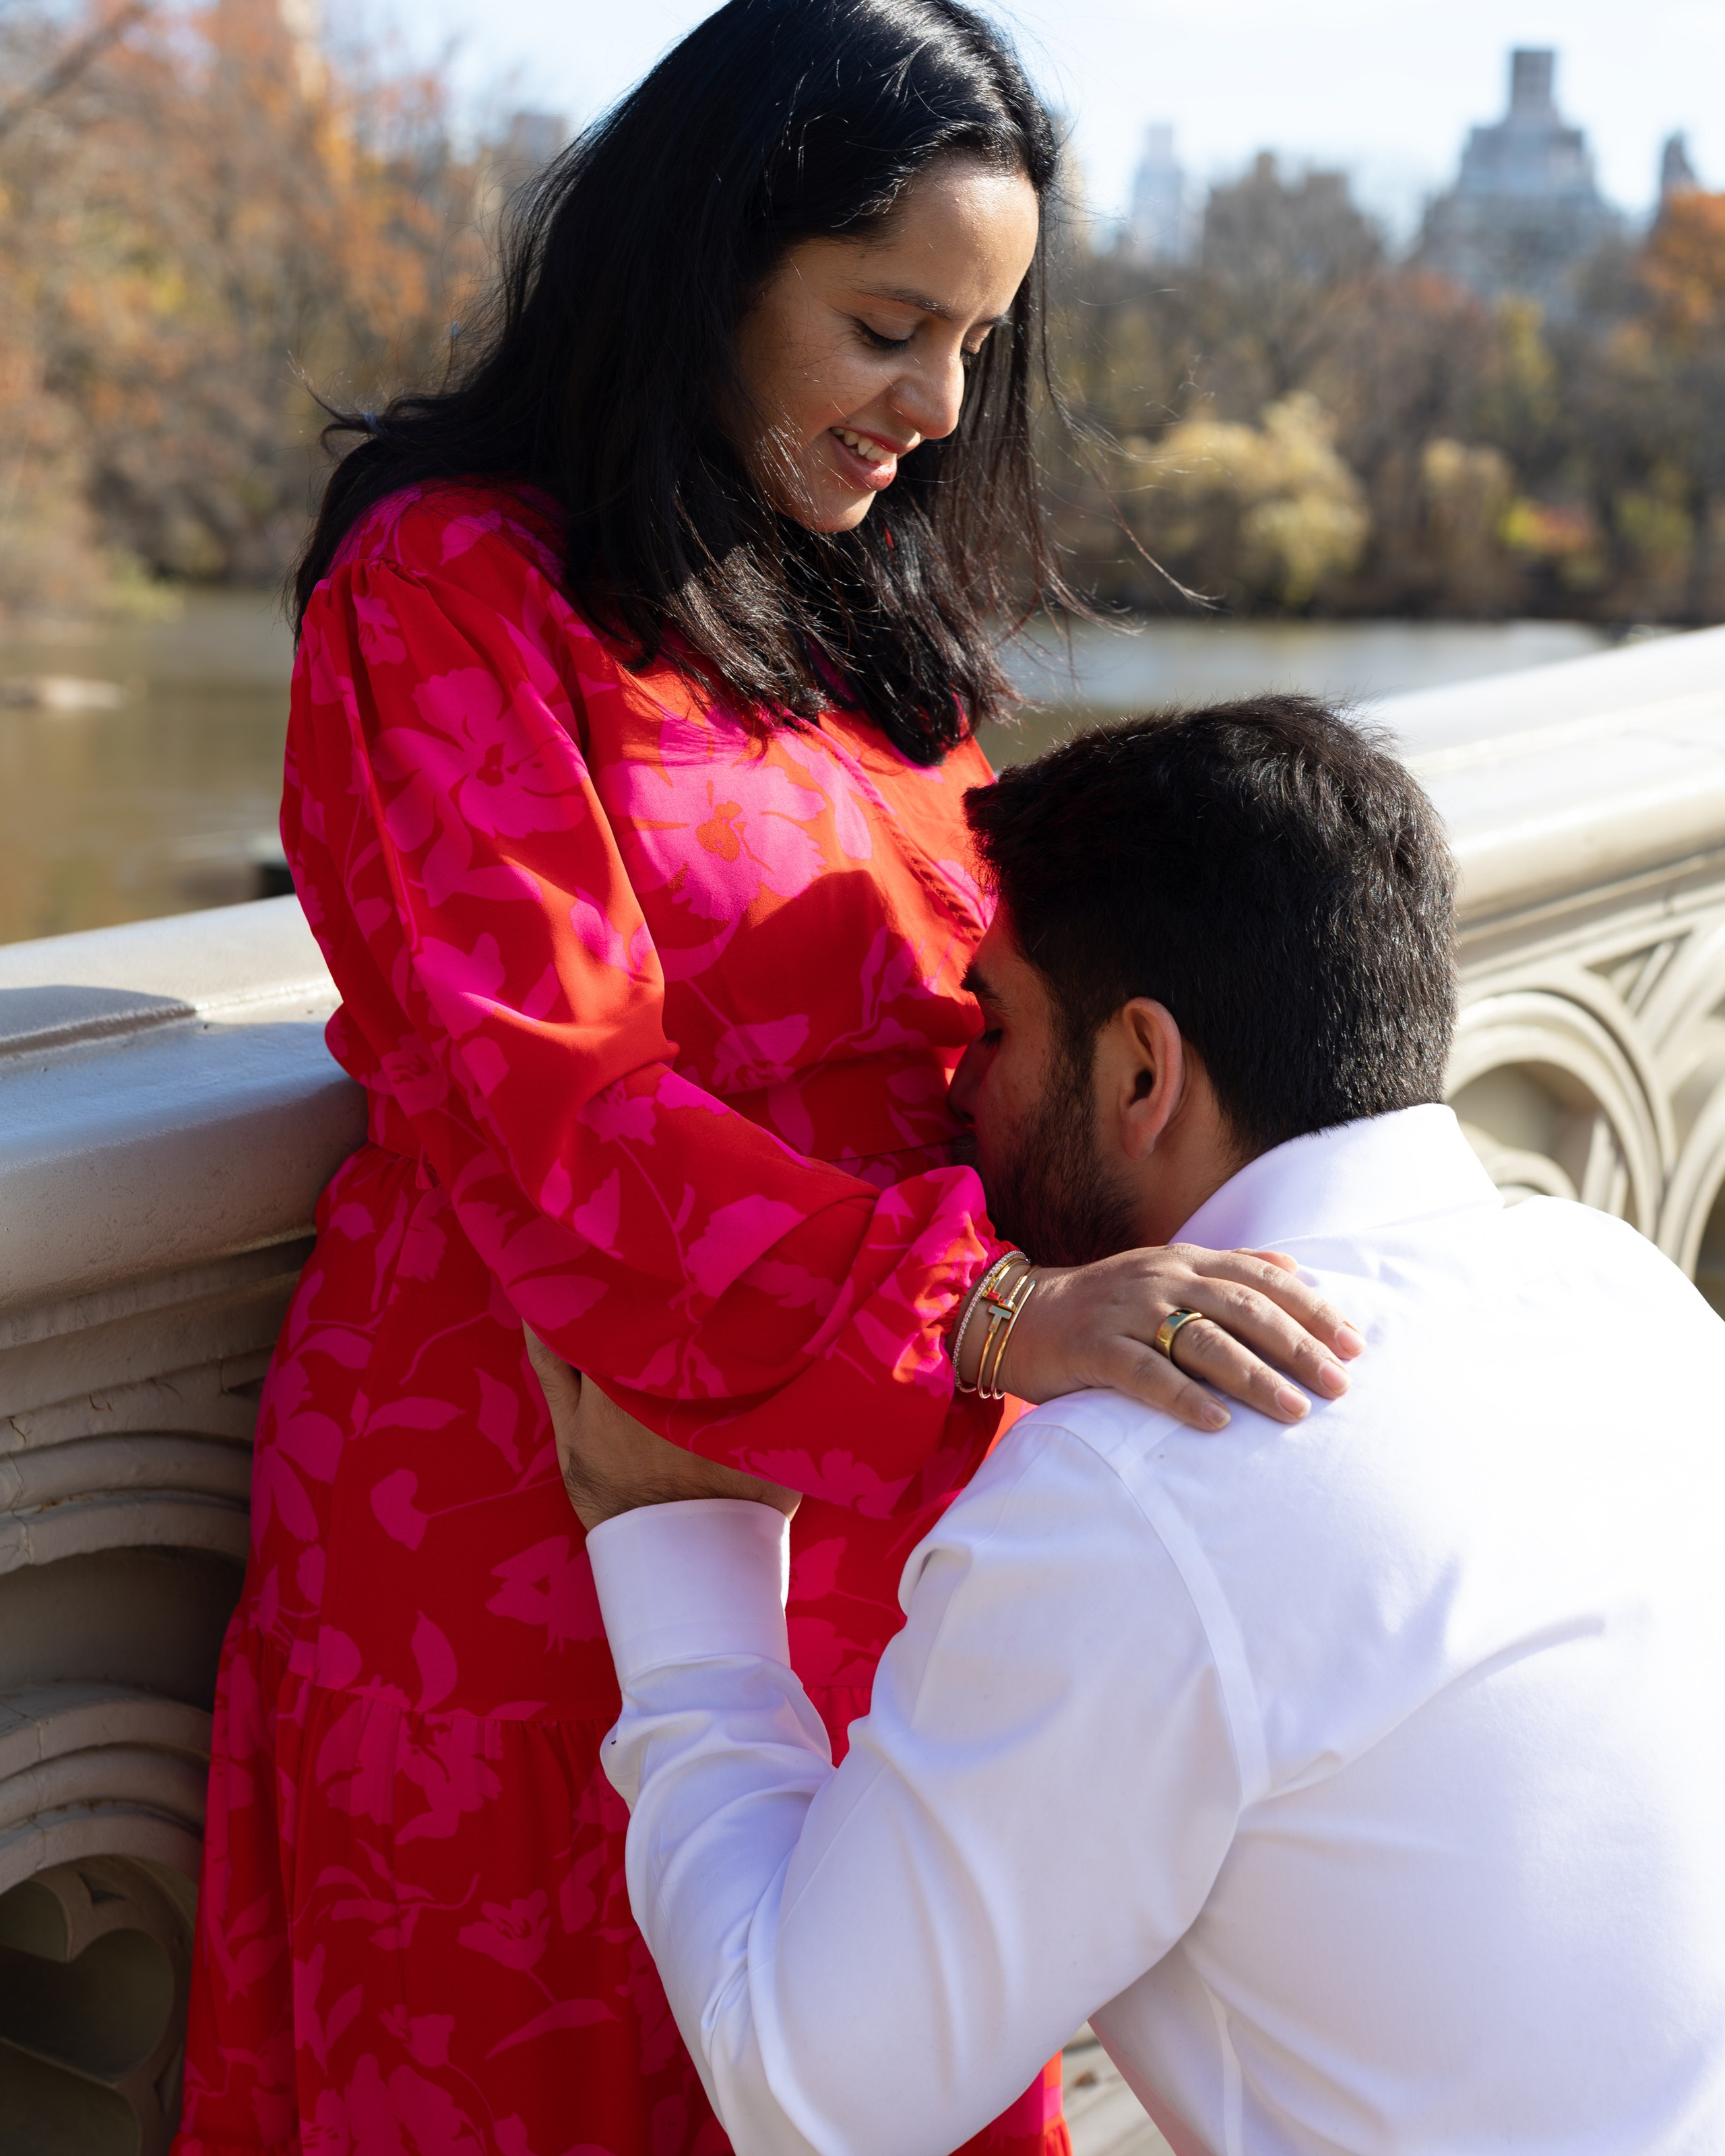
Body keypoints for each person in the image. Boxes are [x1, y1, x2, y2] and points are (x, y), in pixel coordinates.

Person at [171, 9, 1362, 2153]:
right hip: (524, 1517)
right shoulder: (450, 586)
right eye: (890, 327)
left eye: (977, 343)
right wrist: (990, 1318)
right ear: (710, 260)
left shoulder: (854, 637)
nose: (939, 405)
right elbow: (550, 1099)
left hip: (887, 1540)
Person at [532, 698, 1725, 2156]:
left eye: (994, 1025)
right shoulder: (1627, 1297)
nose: (952, 1084)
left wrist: (678, 1555)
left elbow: (809, 2093)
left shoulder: (1153, 1467)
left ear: (1140, 1072)